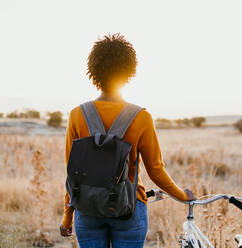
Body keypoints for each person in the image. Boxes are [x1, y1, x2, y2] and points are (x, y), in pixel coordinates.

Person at [59, 33, 196, 248]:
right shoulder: (141, 117)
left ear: (94, 70)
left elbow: (72, 173)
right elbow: (156, 170)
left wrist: (67, 216)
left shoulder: (78, 115)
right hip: (129, 209)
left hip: (88, 210)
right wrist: (182, 195)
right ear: (129, 72)